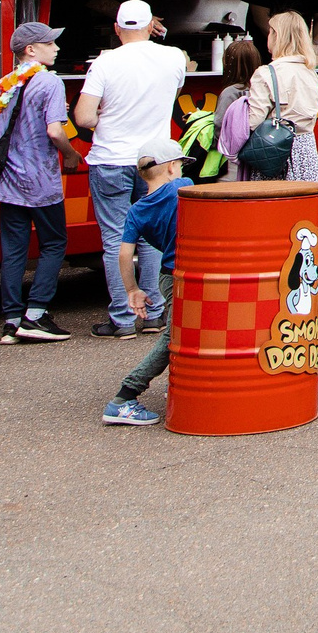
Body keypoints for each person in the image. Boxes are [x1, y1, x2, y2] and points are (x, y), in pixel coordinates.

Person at [74, 0, 188, 338]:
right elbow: (174, 91)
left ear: (116, 28)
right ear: (151, 25)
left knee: (115, 239)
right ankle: (154, 312)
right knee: (153, 237)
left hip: (111, 158)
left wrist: (103, 121)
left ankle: (122, 318)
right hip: (155, 160)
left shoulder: (105, 63)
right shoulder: (173, 57)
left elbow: (83, 116)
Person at [0, 20, 75, 345]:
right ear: (31, 50)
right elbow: (55, 130)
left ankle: (11, 321)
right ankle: (36, 314)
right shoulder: (49, 82)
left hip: (10, 179)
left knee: (13, 250)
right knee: (54, 243)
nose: (56, 48)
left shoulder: (4, 84)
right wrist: (68, 153)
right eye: (50, 43)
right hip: (40, 180)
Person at [100, 136, 192, 426]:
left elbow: (125, 254)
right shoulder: (182, 187)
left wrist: (132, 290)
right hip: (191, 271)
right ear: (171, 167)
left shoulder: (136, 210)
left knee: (184, 331)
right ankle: (125, 396)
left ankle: (185, 386)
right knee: (173, 336)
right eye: (178, 164)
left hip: (166, 276)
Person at [248, 11, 318, 183]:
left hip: (276, 153)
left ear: (277, 36)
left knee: (275, 206)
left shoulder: (266, 73)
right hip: (307, 151)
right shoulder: (310, 73)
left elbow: (253, 122)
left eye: (270, 31)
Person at [213, 38, 263, 182]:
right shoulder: (261, 90)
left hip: (230, 164)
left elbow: (219, 125)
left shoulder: (230, 92)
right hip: (254, 160)